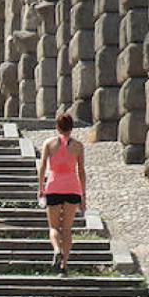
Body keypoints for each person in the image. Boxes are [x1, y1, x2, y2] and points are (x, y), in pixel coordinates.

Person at [36, 113, 86, 272]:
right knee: (67, 228)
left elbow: (43, 167)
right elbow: (81, 171)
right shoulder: (78, 146)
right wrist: (83, 196)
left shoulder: (49, 144)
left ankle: (57, 250)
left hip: (54, 186)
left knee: (54, 227)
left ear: (57, 127)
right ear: (72, 127)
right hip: (72, 187)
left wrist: (41, 187)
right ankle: (64, 264)